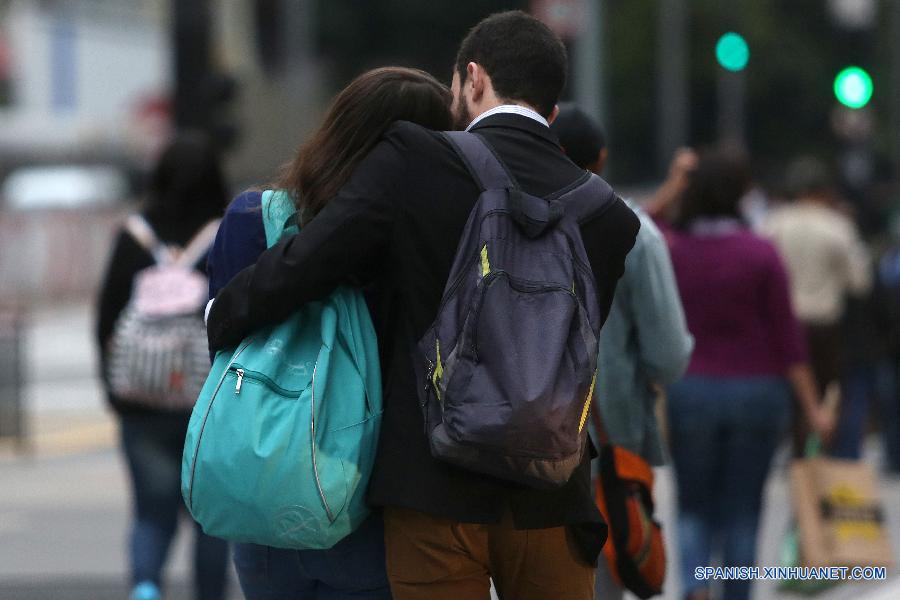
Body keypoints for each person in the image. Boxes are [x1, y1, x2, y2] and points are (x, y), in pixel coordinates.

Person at [206, 11, 640, 600]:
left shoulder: (414, 158)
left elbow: (311, 260)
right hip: (550, 490)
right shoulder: (610, 214)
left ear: (473, 78)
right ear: (553, 111)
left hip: (434, 486)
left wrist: (224, 315)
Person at [207, 66, 453, 600]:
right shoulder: (418, 239)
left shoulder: (249, 219)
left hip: (263, 501)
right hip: (367, 504)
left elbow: (223, 351)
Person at [647, 149, 834, 600]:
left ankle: (694, 585)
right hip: (758, 393)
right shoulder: (761, 253)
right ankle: (735, 593)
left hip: (691, 390)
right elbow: (790, 342)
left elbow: (640, 226)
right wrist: (813, 409)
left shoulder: (673, 249)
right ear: (742, 194)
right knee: (743, 509)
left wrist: (674, 185)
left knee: (692, 503)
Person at [552, 105, 694, 600]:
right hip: (607, 437)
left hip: (514, 439)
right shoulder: (637, 233)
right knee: (602, 578)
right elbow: (670, 355)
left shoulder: (501, 217)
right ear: (604, 158)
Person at [96, 134, 230, 600]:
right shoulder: (227, 233)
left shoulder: (134, 234)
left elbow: (106, 317)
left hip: (141, 400)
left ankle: (146, 587)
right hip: (205, 402)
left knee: (150, 514)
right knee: (211, 518)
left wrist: (113, 391)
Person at [762, 156, 872, 454]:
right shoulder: (837, 226)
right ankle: (818, 456)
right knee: (826, 399)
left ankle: (797, 455)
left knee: (789, 399)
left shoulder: (773, 223)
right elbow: (859, 282)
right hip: (825, 327)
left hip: (782, 325)